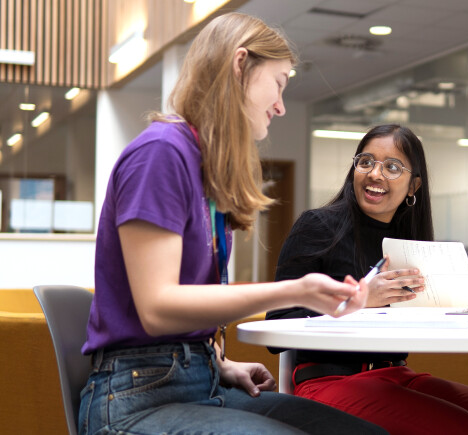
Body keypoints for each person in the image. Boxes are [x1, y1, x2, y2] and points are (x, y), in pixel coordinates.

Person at [80, 13, 387, 435]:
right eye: (278, 83)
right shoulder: (160, 153)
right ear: (240, 65)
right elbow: (156, 308)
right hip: (135, 401)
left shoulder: (202, 167)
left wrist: (219, 363)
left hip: (197, 382)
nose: (281, 105)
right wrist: (296, 290)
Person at [267, 124, 468, 435]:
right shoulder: (317, 227)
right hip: (330, 380)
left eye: (392, 167)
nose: (375, 174)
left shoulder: (409, 241)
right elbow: (278, 323)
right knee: (465, 429)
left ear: (413, 186)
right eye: (365, 162)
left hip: (396, 374)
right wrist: (360, 301)